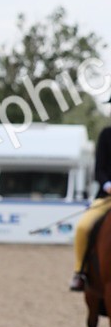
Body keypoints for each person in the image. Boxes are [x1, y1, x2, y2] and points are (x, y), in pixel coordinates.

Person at [70, 119, 111, 290]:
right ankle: (80, 272)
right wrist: (108, 185)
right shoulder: (106, 135)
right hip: (107, 197)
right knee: (83, 227)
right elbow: (99, 170)